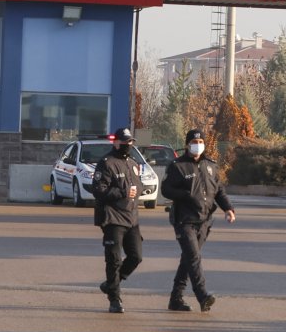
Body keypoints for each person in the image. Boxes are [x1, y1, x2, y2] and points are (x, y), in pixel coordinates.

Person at [161, 128, 235, 313]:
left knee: (187, 259)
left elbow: (219, 190)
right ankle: (203, 295)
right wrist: (186, 194)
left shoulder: (211, 165)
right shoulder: (177, 166)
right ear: (187, 145)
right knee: (194, 258)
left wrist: (228, 209)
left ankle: (175, 298)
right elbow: (166, 190)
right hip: (184, 220)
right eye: (194, 143)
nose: (197, 145)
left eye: (200, 142)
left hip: (205, 220)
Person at [90, 126, 144, 314]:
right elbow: (98, 189)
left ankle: (111, 284)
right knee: (113, 259)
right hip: (112, 217)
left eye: (130, 142)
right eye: (124, 142)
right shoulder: (107, 163)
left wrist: (138, 192)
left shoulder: (133, 164)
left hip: (131, 217)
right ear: (116, 142)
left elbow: (139, 186)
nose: (128, 145)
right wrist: (121, 192)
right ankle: (114, 299)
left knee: (136, 257)